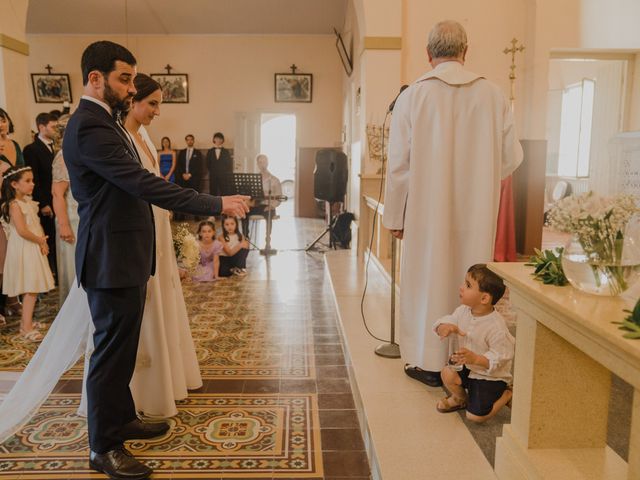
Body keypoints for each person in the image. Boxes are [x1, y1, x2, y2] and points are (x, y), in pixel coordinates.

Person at [62, 41, 248, 479]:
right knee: (109, 354)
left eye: (132, 78)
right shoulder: (89, 126)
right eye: (124, 78)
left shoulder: (106, 122)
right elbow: (143, 185)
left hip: (124, 255)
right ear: (95, 78)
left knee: (124, 347)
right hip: (109, 257)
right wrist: (214, 201)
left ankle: (122, 418)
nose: (130, 87)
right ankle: (102, 447)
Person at [382, 20, 523, 388]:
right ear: (466, 51)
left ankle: (430, 362)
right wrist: (480, 179)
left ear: (429, 55)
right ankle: (469, 366)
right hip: (476, 211)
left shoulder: (413, 96)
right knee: (471, 279)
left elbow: (398, 166)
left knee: (428, 279)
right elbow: (510, 159)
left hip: (427, 212)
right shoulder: (493, 95)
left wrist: (395, 216)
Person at [434, 264, 514, 423]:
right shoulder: (463, 310)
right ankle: (460, 399)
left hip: (489, 376)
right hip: (467, 367)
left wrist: (477, 359)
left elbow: (502, 356)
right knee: (447, 372)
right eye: (465, 283)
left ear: (484, 298)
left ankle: (507, 394)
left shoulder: (496, 327)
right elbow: (451, 319)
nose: (461, 287)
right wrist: (443, 326)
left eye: (468, 285)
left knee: (475, 416)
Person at [1, 166, 55, 342]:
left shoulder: (27, 202)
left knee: (33, 288)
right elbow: (23, 231)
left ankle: (28, 321)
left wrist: (43, 241)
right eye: (28, 181)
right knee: (30, 288)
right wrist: (40, 240)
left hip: (32, 246)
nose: (32, 184)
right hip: (25, 248)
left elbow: (34, 225)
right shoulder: (14, 205)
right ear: (15, 184)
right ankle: (25, 327)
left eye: (32, 180)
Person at [24, 112, 59, 280]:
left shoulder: (55, 147)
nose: (56, 130)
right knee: (49, 237)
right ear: (41, 127)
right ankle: (50, 274)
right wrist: (43, 203)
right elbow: (35, 179)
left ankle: (58, 273)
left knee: (56, 237)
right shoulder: (31, 149)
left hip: (57, 198)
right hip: (44, 200)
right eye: (53, 127)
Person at [0, 108, 26, 319]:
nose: (1, 124)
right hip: (1, 203)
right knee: (2, 254)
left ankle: (13, 300)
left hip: (16, 201)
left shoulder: (14, 145)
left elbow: (23, 171)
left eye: (3, 120)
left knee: (14, 253)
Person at [51, 115, 77, 303]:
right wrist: (64, 224)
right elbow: (57, 194)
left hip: (82, 216)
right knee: (73, 264)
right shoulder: (62, 156)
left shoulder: (77, 151)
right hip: (70, 217)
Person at [243, 153, 282, 239]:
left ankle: (268, 238)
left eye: (264, 162)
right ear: (257, 164)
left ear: (267, 163)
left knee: (269, 214)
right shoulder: (253, 179)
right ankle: (245, 237)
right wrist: (249, 203)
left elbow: (279, 198)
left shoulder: (275, 180)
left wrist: (272, 206)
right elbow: (249, 195)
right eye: (260, 162)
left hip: (269, 206)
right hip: (256, 205)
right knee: (244, 211)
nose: (262, 164)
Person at [174, 134, 204, 220]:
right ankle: (182, 216)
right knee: (183, 197)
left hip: (194, 179)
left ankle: (196, 216)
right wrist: (183, 174)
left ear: (193, 141)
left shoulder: (198, 153)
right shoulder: (182, 152)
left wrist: (190, 174)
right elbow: (179, 166)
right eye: (188, 140)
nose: (189, 141)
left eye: (191, 139)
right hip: (183, 179)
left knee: (195, 197)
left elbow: (199, 167)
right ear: (186, 141)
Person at [207, 131, 233, 196]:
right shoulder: (210, 151)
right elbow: (207, 163)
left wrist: (225, 173)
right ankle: (212, 205)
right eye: (216, 138)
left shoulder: (226, 151)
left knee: (224, 191)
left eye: (220, 139)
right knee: (213, 192)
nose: (218, 140)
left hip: (224, 176)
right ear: (214, 140)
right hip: (213, 175)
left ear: (222, 140)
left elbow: (229, 164)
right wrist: (212, 171)